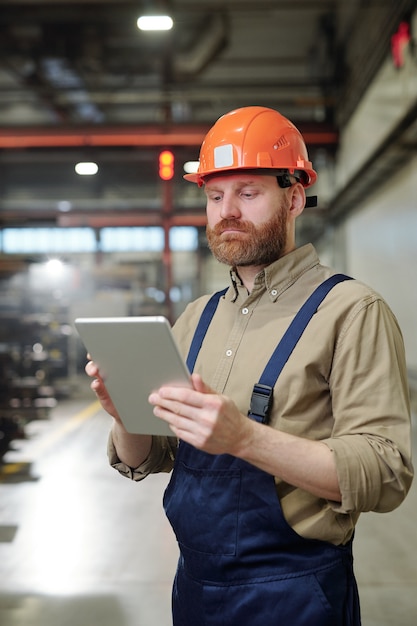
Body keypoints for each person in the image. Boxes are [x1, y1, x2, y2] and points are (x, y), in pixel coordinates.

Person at [86, 106, 414, 625]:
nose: (227, 211)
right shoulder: (196, 319)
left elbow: (386, 472)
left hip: (297, 596)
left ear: (295, 197)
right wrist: (125, 413)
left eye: (248, 192)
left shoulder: (351, 311)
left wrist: (245, 439)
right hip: (195, 590)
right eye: (216, 196)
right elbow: (149, 459)